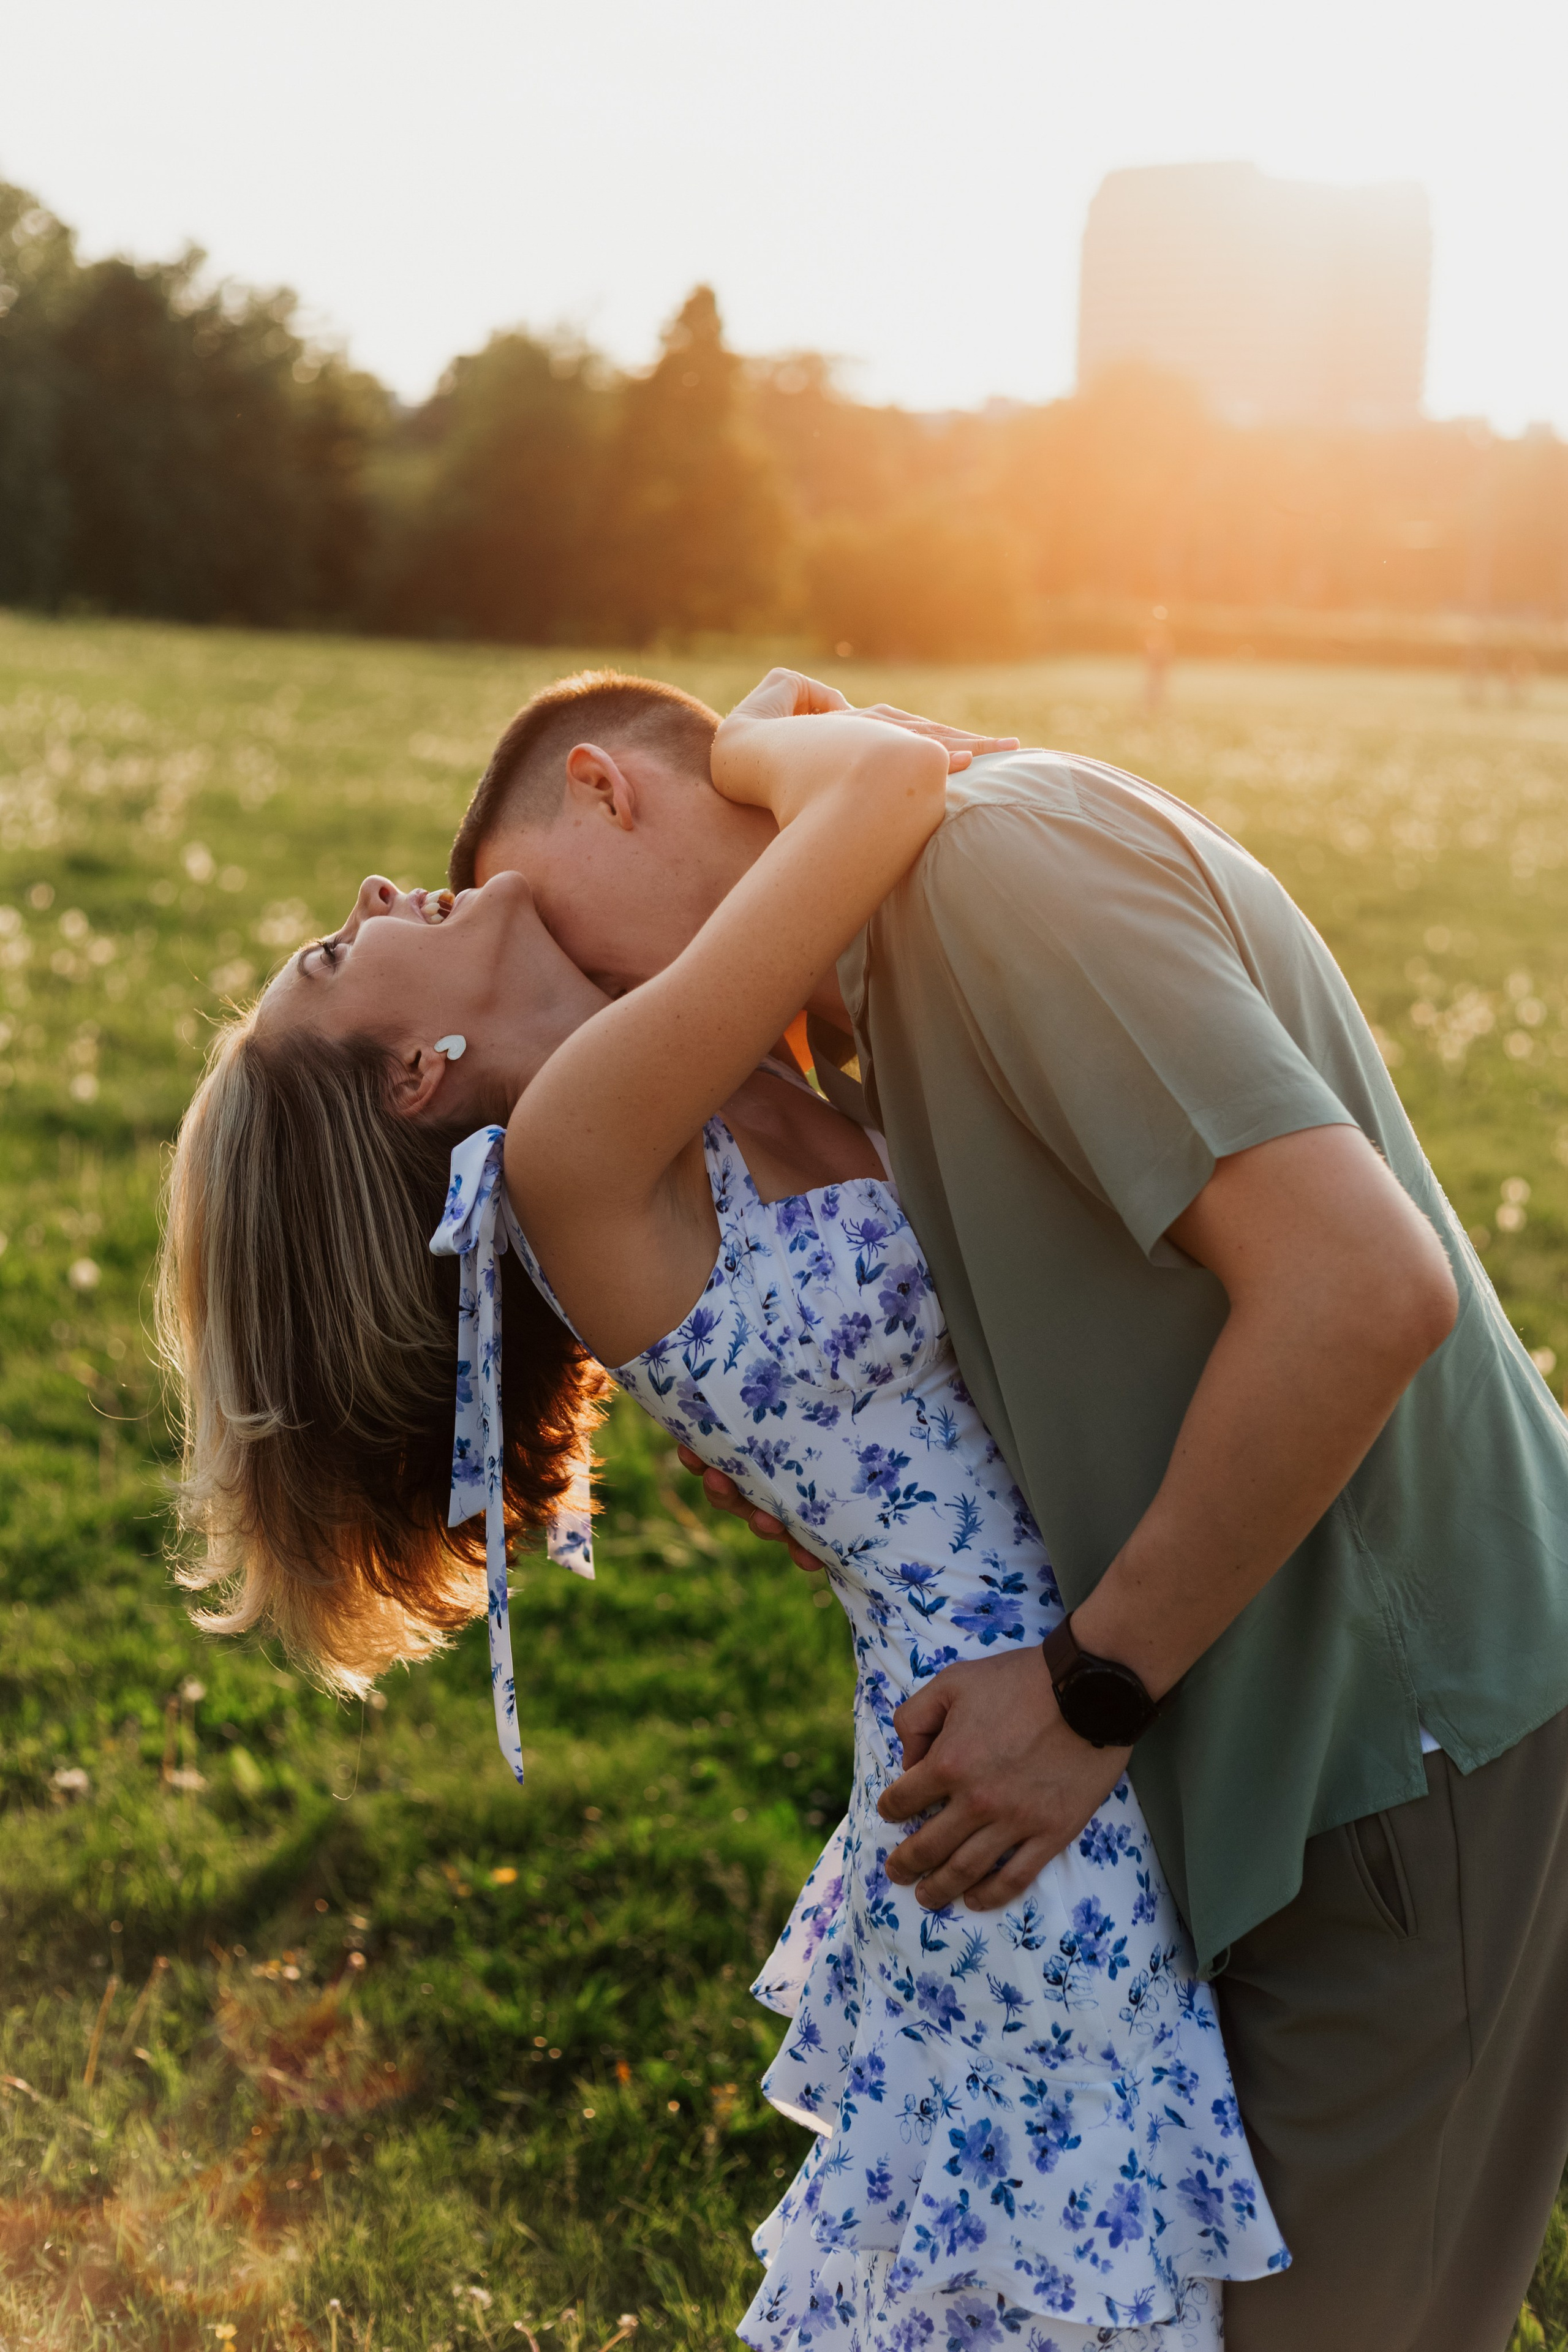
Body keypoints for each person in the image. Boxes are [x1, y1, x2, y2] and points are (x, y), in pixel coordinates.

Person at [157, 674, 1289, 2352]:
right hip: (1019, 1748)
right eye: (338, 950)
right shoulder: (575, 1142)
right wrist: (761, 733)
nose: (380, 894)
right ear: (413, 1072)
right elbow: (890, 779)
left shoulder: (690, 1074)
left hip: (1058, 1686)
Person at [449, 666, 1568, 2352]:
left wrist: (1088, 1690)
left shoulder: (994, 881)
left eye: (574, 949)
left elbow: (1357, 1292)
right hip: (1284, 1753)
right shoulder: (886, 975)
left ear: (608, 790)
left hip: (1407, 1752)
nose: (608, 1019)